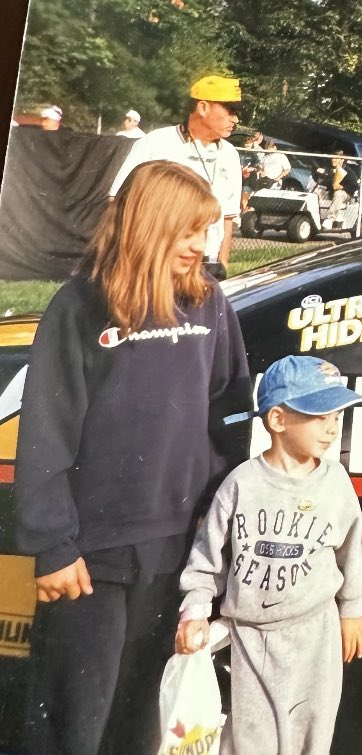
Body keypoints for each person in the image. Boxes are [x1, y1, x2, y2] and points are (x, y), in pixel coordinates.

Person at [14, 160, 252, 754]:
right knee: (76, 720)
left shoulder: (208, 301)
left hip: (175, 548)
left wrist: (216, 508)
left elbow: (230, 403)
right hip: (91, 555)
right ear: (152, 224)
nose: (203, 247)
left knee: (143, 717)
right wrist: (53, 546)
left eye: (208, 231)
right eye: (191, 231)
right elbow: (46, 430)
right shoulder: (81, 305)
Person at [176, 355, 362, 755]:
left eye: (337, 416)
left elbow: (351, 554)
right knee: (252, 740)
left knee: (312, 735)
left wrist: (352, 611)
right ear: (278, 421)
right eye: (320, 416)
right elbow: (207, 557)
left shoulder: (335, 483)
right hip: (252, 637)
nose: (333, 428)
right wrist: (194, 611)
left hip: (315, 633)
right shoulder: (241, 485)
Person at [109, 75, 244, 279]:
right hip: (156, 265)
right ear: (203, 107)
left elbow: (227, 218)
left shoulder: (230, 155)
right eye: (229, 110)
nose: (235, 119)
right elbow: (117, 204)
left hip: (207, 267)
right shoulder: (154, 144)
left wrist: (222, 266)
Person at [323, 152, 359, 228]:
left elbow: (355, 186)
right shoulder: (329, 170)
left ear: (342, 160)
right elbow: (325, 184)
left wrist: (342, 187)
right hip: (330, 193)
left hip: (345, 195)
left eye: (336, 158)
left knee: (338, 193)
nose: (333, 160)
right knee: (317, 191)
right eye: (333, 158)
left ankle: (330, 218)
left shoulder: (349, 172)